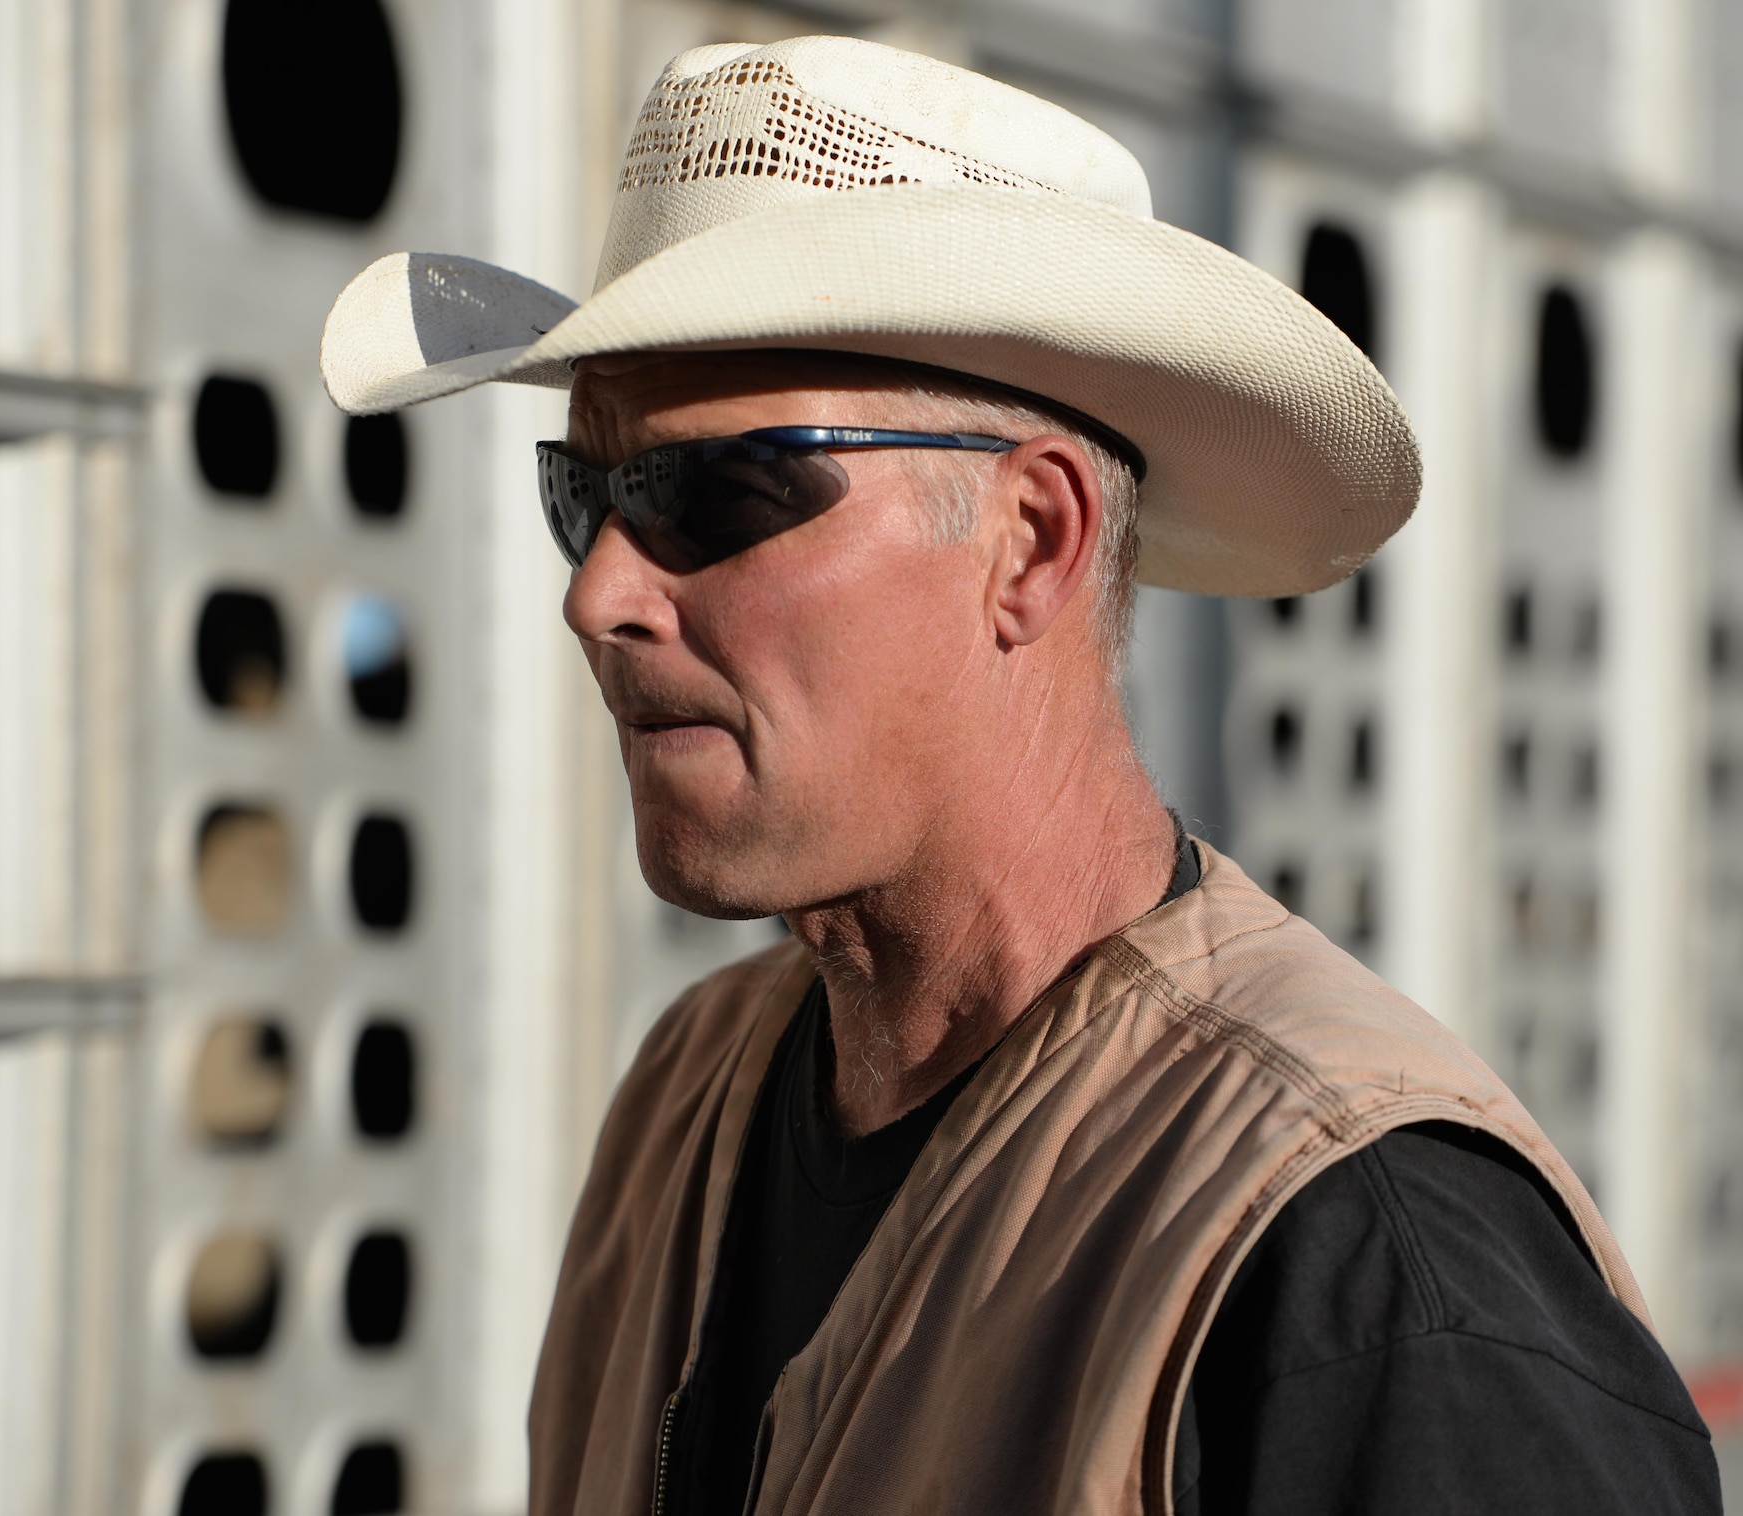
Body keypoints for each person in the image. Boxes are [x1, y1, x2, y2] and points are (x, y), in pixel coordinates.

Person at [321, 35, 1720, 1515]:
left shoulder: (1363, 1264)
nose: (600, 590)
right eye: (585, 493)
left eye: (708, 492)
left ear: (1031, 542)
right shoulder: (690, 1107)